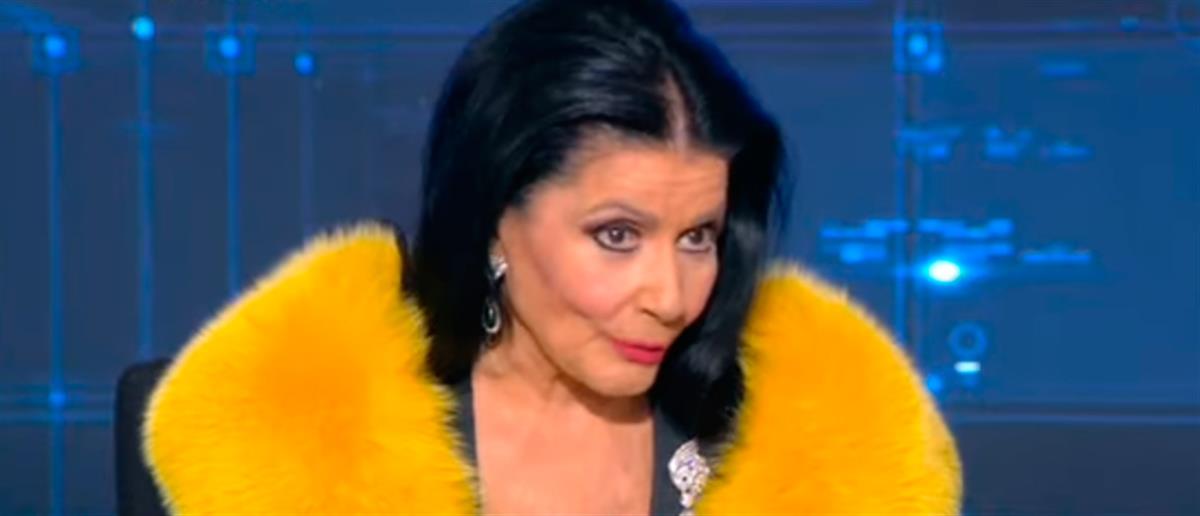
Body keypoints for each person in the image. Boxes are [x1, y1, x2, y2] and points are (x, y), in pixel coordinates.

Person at [138, 0, 961, 513]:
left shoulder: (810, 448)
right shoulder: (297, 456)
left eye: (697, 238)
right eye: (617, 235)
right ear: (496, 217)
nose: (671, 296)